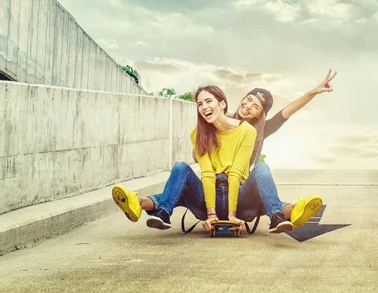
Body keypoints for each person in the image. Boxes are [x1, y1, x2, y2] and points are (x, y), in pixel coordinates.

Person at [112, 85, 294, 234]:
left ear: (222, 104)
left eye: (209, 101)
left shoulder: (248, 131)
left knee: (262, 170)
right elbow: (207, 173)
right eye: (200, 104)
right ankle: (162, 213)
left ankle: (279, 215)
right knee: (181, 168)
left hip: (239, 198)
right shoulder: (198, 134)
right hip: (208, 197)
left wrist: (231, 214)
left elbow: (236, 173)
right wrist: (211, 214)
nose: (204, 107)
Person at [231, 69, 337, 227]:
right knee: (267, 197)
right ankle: (288, 210)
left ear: (259, 115)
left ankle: (290, 212)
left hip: (242, 195)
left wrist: (313, 92)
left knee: (261, 170)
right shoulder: (222, 121)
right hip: (217, 191)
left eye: (255, 107)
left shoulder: (261, 131)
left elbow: (288, 111)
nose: (248, 106)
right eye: (248, 100)